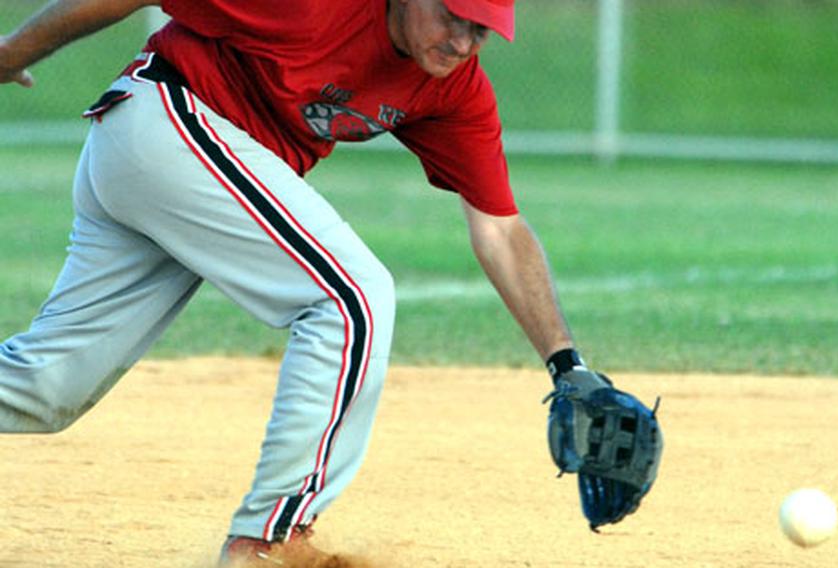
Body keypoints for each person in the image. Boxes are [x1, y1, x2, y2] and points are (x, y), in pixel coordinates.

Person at [0, 0, 629, 565]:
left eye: (482, 29)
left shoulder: (454, 88)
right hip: (167, 121)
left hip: (177, 165)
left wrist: (566, 364)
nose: (464, 41)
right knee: (351, 299)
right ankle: (266, 542)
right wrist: (9, 54)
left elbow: (500, 228)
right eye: (452, 15)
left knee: (47, 386)